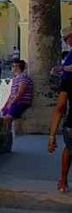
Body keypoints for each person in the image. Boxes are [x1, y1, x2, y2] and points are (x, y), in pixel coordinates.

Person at [47, 59, 72, 194]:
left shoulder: (68, 81)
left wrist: (52, 136)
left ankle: (63, 181)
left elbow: (60, 107)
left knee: (69, 149)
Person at [1, 60, 33, 136]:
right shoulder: (16, 78)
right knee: (2, 116)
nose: (12, 68)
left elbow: (20, 92)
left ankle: (6, 135)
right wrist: (5, 105)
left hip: (21, 102)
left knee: (7, 118)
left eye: (13, 66)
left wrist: (12, 103)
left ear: (17, 67)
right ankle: (5, 134)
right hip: (15, 102)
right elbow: (11, 94)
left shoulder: (23, 77)